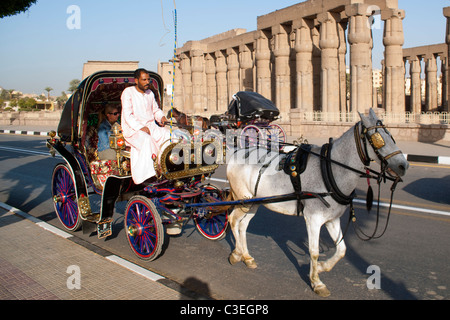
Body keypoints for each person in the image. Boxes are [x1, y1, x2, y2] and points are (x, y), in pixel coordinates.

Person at [121, 68, 171, 184]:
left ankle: (166, 166)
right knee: (147, 140)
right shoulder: (128, 92)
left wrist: (161, 117)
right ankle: (149, 175)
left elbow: (156, 110)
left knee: (168, 134)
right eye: (144, 80)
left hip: (150, 126)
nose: (147, 82)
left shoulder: (150, 93)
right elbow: (128, 116)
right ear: (136, 80)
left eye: (148, 79)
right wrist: (140, 127)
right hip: (133, 130)